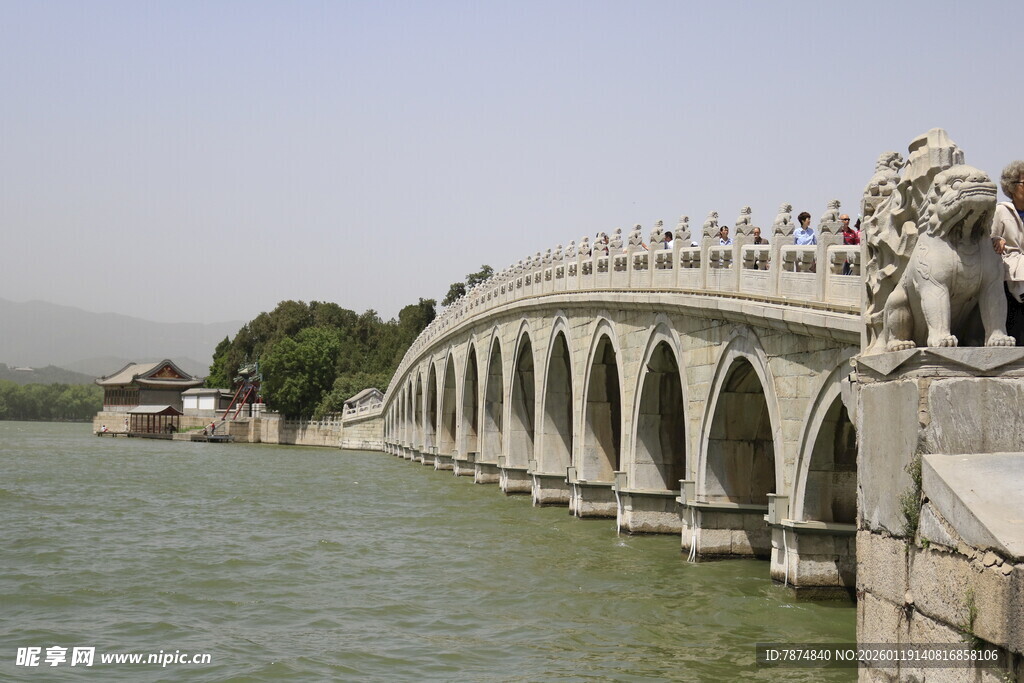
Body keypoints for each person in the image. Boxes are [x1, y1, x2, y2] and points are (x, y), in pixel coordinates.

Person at [992, 160, 1024, 345]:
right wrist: (996, 240)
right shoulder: (1001, 211)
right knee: (1016, 326)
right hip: (1009, 275)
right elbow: (989, 236)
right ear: (1012, 187)